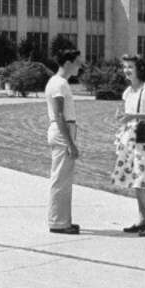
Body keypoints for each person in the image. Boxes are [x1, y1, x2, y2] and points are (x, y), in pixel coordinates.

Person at [111, 54, 145, 237]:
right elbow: (127, 113)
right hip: (131, 139)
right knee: (136, 181)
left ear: (139, 69)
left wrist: (133, 116)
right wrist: (123, 117)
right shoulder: (129, 92)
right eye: (124, 67)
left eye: (130, 67)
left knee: (141, 182)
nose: (126, 70)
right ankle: (143, 221)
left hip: (144, 140)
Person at [45, 48, 83, 234]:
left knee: (64, 179)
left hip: (64, 130)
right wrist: (70, 144)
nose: (79, 66)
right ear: (67, 63)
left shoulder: (60, 83)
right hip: (62, 132)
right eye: (77, 62)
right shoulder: (59, 84)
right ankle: (58, 222)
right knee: (60, 179)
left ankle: (63, 220)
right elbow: (59, 115)